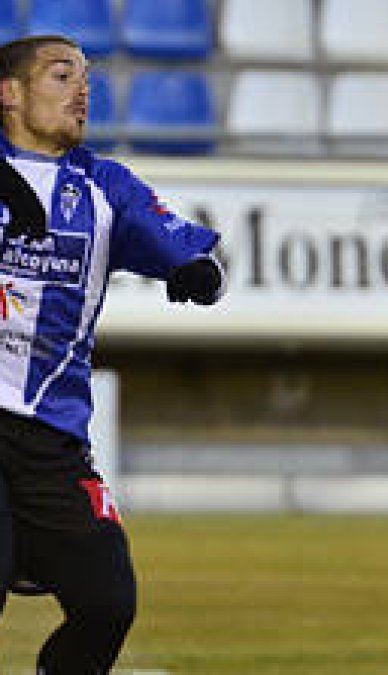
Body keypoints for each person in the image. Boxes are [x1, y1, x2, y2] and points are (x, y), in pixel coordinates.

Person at [0, 35, 224, 672]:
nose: (81, 91)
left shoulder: (102, 184)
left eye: (87, 80)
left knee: (106, 601)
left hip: (51, 436)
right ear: (9, 94)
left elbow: (185, 246)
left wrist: (195, 272)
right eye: (61, 74)